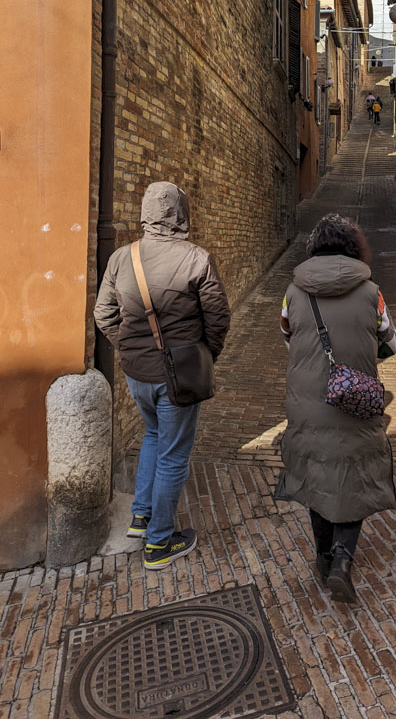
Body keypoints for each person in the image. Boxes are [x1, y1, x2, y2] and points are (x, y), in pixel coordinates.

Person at [94, 181, 230, 569]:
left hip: (137, 374)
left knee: (153, 435)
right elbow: (218, 319)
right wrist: (204, 357)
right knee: (173, 456)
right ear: (181, 214)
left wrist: (128, 348)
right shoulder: (197, 259)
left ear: (145, 215)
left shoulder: (122, 258)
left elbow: (104, 314)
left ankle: (141, 516)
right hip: (179, 376)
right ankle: (158, 543)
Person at [276, 214, 396, 603]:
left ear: (314, 247)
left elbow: (287, 336)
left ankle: (323, 556)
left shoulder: (293, 292)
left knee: (317, 473)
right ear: (353, 247)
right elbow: (390, 342)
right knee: (356, 474)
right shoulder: (372, 293)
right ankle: (342, 559)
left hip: (307, 400)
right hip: (355, 399)